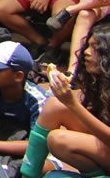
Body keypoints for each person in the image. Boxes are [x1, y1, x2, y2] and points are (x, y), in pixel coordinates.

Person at [19, 25, 110, 178]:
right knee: (55, 105)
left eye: (95, 48)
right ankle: (28, 175)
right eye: (88, 46)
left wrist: (72, 104)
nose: (86, 52)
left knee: (59, 140)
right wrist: (63, 93)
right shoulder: (99, 82)